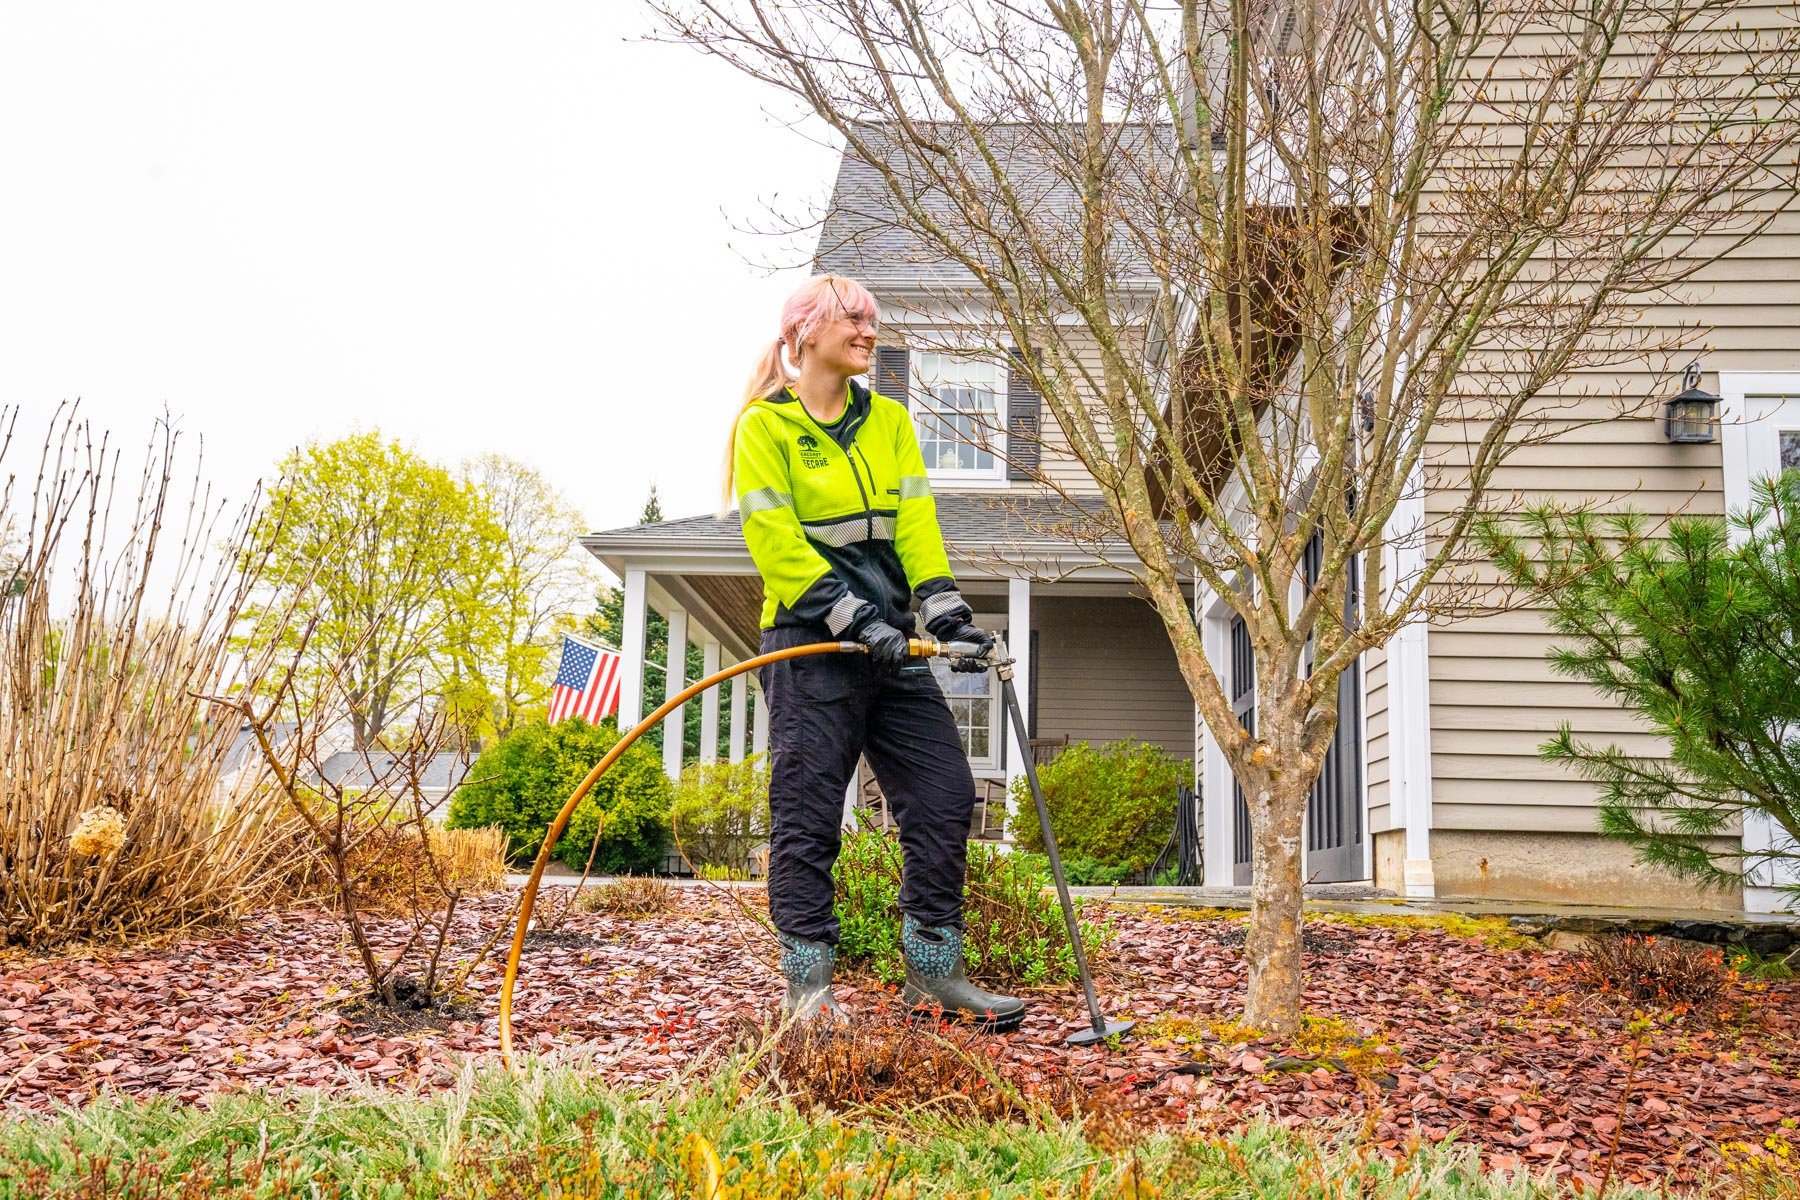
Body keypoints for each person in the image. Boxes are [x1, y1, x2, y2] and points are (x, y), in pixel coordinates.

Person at [727, 274, 1026, 1032]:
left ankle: (934, 974)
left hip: (890, 645)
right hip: (809, 643)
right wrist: (853, 618)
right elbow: (776, 542)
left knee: (945, 797)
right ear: (807, 332)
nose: (869, 331)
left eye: (872, 320)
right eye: (854, 319)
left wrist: (947, 610)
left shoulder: (888, 421)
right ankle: (807, 992)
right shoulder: (765, 427)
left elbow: (916, 524)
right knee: (808, 815)